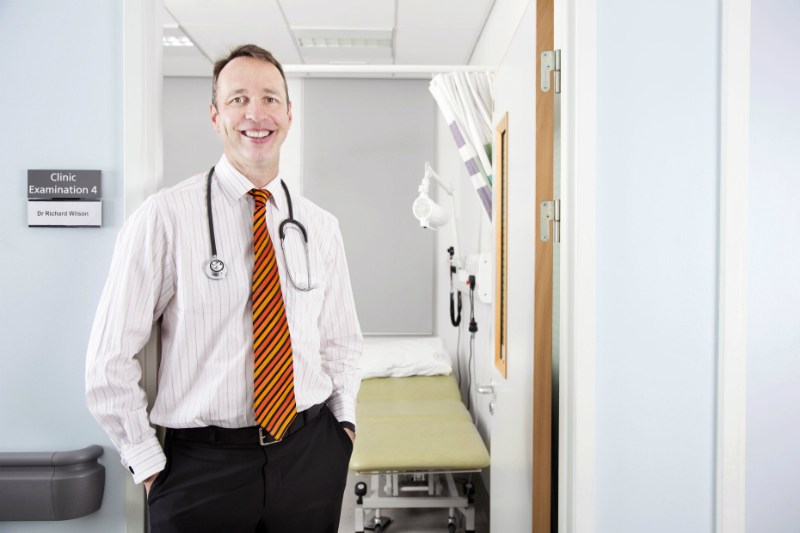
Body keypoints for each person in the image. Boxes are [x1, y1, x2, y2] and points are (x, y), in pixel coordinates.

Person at [85, 44, 362, 533]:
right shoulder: (165, 217)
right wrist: (148, 464)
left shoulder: (320, 226)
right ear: (215, 116)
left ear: (289, 114)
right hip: (202, 470)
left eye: (271, 98)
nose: (256, 113)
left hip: (310, 457)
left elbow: (340, 341)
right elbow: (108, 361)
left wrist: (343, 429)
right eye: (238, 99)